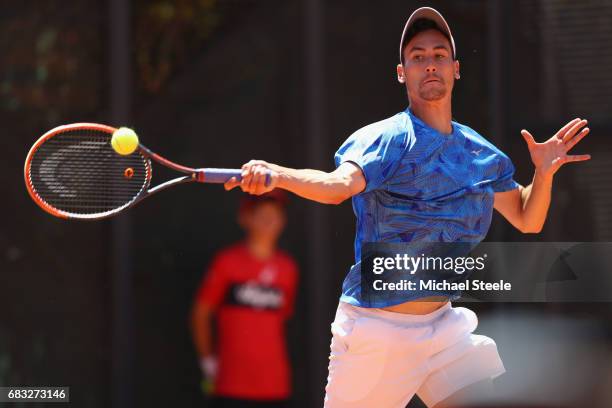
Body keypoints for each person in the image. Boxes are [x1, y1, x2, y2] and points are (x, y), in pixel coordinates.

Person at [224, 7, 591, 408]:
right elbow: (337, 187)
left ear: (455, 68)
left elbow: (528, 218)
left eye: (438, 55)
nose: (429, 64)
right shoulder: (385, 140)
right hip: (377, 331)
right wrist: (276, 174)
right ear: (402, 72)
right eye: (418, 57)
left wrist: (544, 173)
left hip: (444, 327)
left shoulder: (481, 156)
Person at [191, 190, 299, 408]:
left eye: (274, 214)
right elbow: (200, 314)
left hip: (275, 386)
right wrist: (207, 361)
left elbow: (283, 318)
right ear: (245, 218)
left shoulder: (288, 269)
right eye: (262, 214)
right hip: (231, 385)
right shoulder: (226, 262)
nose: (269, 220)